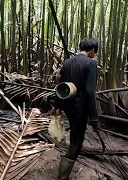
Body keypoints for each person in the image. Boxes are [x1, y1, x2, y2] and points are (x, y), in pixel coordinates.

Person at [51, 38, 100, 180]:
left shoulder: (67, 62)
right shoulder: (91, 63)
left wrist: (57, 105)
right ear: (92, 50)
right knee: (77, 141)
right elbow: (91, 91)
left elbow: (61, 87)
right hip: (81, 108)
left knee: (74, 133)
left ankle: (65, 167)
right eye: (94, 52)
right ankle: (63, 175)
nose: (94, 55)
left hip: (68, 106)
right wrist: (94, 116)